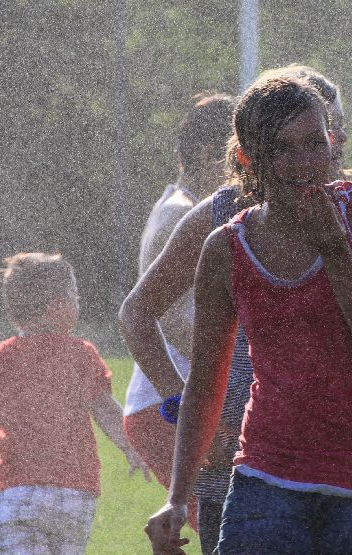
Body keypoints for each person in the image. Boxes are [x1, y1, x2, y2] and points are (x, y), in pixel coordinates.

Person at [138, 73, 352, 554]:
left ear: (333, 143)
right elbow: (205, 381)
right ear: (249, 159)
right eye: (283, 149)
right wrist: (177, 499)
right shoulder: (227, 246)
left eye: (315, 144)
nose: (305, 164)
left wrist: (335, 252)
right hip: (265, 482)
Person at [0, 252, 150, 554]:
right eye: (75, 296)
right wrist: (131, 447)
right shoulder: (82, 355)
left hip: (16, 494)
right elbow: (105, 410)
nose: (79, 302)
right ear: (57, 306)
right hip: (74, 494)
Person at [121, 92, 236, 536]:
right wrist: (236, 365)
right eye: (239, 151)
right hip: (169, 401)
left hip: (178, 398)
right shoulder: (179, 214)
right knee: (227, 526)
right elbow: (162, 317)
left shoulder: (186, 207)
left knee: (230, 524)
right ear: (209, 153)